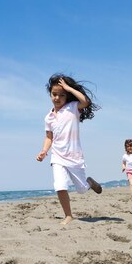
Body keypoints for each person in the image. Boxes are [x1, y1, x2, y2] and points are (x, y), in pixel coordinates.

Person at [36, 74, 103, 225]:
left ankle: (89, 183)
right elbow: (49, 137)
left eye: (62, 95)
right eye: (54, 94)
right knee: (59, 185)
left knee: (81, 189)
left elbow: (85, 101)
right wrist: (44, 151)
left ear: (68, 96)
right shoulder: (48, 118)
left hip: (74, 156)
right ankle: (68, 215)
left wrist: (68, 88)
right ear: (50, 94)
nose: (57, 98)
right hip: (57, 156)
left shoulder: (73, 108)